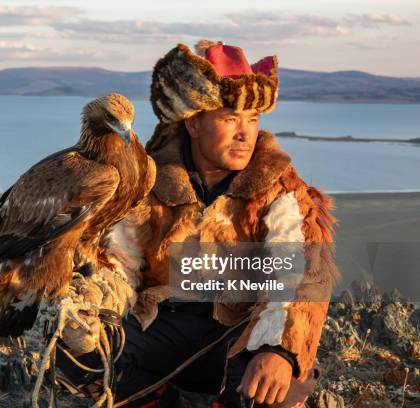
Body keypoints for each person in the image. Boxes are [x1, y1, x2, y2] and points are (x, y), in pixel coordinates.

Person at [60, 40, 339, 407]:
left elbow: (296, 276)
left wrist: (280, 351)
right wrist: (95, 304)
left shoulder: (278, 187)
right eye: (229, 119)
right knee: (81, 357)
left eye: (252, 120)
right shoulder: (149, 180)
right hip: (163, 322)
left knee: (278, 386)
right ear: (193, 123)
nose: (245, 133)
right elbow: (120, 263)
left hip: (240, 330)